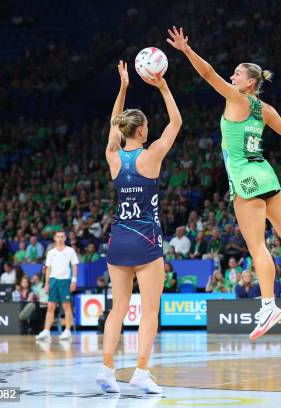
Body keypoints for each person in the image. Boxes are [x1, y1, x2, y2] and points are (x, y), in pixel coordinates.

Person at [168, 26, 281, 340]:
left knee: (257, 246)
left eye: (236, 74)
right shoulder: (265, 110)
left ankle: (268, 304)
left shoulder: (237, 99)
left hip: (246, 178)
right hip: (265, 173)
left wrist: (186, 50)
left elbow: (207, 74)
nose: (231, 76)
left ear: (250, 82)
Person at [95, 61, 181, 394]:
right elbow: (176, 122)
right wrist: (161, 87)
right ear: (143, 130)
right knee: (149, 310)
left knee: (117, 309)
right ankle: (141, 372)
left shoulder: (113, 155)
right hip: (146, 242)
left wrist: (123, 88)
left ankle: (106, 369)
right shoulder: (153, 155)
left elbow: (113, 128)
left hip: (118, 241)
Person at [35, 231, 79, 342]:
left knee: (66, 306)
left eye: (62, 236)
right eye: (58, 236)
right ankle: (46, 331)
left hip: (65, 281)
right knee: (50, 307)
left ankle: (68, 331)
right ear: (55, 238)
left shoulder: (70, 251)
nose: (60, 238)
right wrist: (46, 284)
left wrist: (74, 281)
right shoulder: (51, 252)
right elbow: (48, 268)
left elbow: (74, 266)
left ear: (65, 238)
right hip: (53, 281)